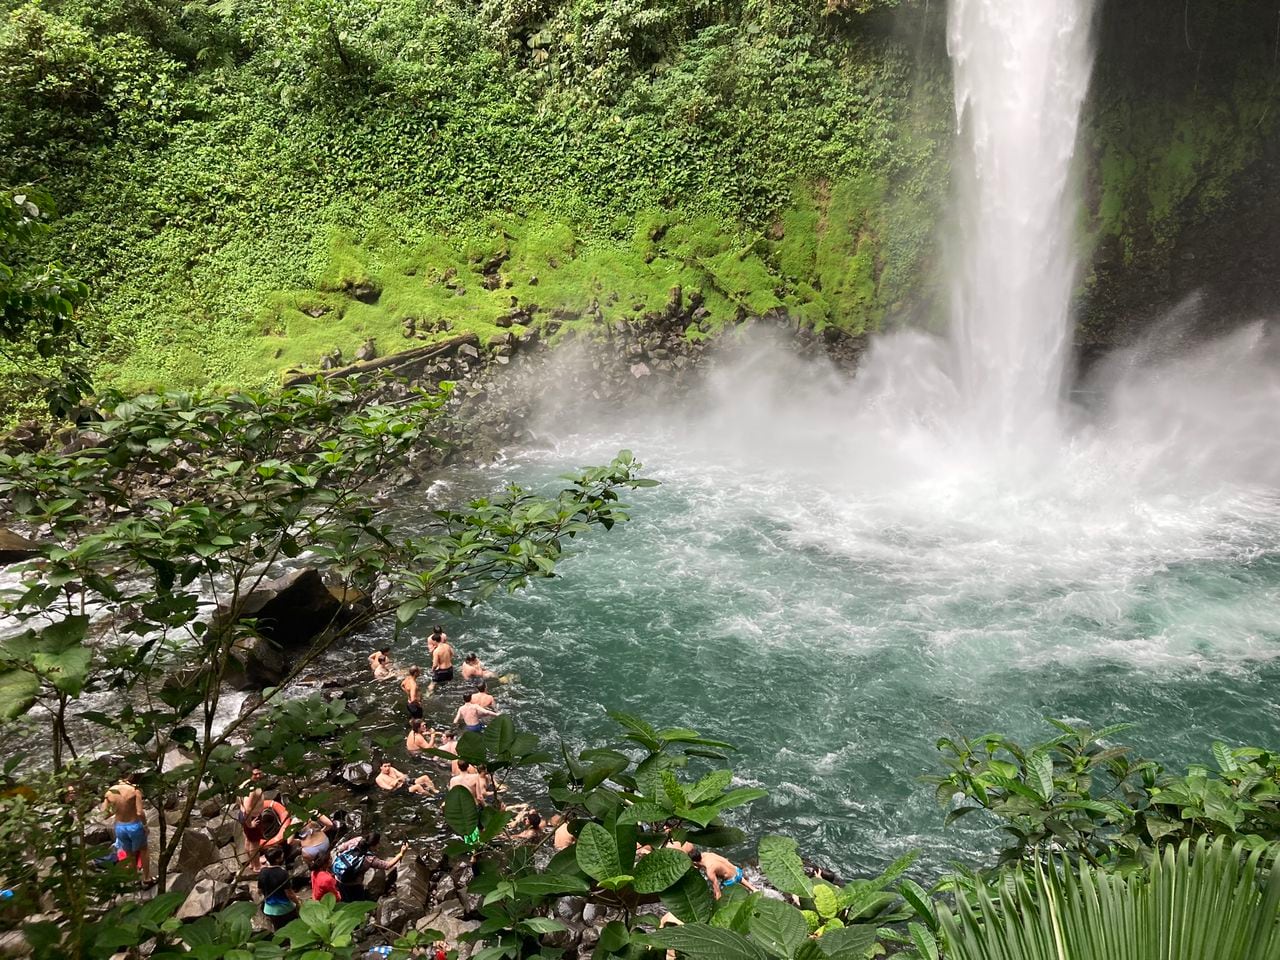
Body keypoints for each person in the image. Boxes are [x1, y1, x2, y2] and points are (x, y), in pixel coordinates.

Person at [331, 833, 408, 902]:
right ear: (374, 845)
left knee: (345, 899)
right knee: (358, 903)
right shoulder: (369, 859)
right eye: (378, 843)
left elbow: (340, 848)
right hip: (353, 884)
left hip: (339, 876)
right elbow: (387, 865)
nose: (379, 845)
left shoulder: (357, 840)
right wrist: (401, 853)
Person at [103, 773, 150, 882]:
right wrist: (145, 826)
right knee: (143, 849)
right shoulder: (134, 791)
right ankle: (146, 878)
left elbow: (105, 815)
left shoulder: (110, 792)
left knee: (129, 853)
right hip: (134, 826)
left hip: (120, 827)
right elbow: (139, 812)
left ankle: (134, 879)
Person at [258, 845, 300, 930]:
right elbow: (289, 893)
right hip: (285, 909)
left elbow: (259, 891)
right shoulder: (283, 873)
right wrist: (297, 902)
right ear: (277, 859)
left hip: (269, 909)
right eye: (281, 855)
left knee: (278, 929)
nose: (283, 856)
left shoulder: (262, 872)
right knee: (293, 927)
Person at [690, 849, 755, 898]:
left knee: (723, 894)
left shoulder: (710, 870)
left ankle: (746, 893)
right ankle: (754, 889)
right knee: (735, 875)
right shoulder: (708, 854)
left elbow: (717, 891)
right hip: (737, 871)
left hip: (731, 881)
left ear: (695, 862)